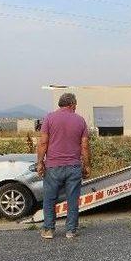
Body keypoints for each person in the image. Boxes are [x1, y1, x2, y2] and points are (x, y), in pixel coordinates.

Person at [37, 93, 91, 239]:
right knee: (73, 199)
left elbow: (43, 143)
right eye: (75, 105)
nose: (76, 107)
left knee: (49, 199)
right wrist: (86, 166)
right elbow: (85, 146)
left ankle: (48, 230)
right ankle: (71, 230)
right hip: (73, 166)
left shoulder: (49, 118)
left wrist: (40, 162)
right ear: (72, 104)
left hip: (53, 166)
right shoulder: (80, 120)